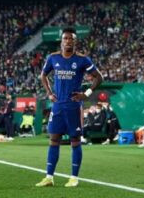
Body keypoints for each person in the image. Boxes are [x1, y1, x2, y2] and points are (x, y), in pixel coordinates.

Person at [35, 28, 103, 188]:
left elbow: (99, 77)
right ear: (61, 40)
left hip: (73, 106)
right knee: (54, 139)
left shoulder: (82, 60)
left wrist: (86, 94)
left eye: (71, 39)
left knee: (75, 140)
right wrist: (49, 93)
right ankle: (49, 177)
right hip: (58, 106)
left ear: (75, 41)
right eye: (65, 38)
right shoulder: (53, 58)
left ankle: (74, 178)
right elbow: (43, 75)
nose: (68, 41)